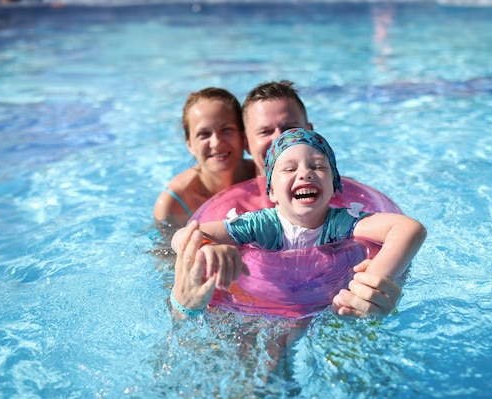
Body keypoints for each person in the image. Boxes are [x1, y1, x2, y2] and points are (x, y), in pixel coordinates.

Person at [169, 80, 421, 319]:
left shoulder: (345, 204)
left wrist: (377, 289)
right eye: (266, 131)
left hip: (331, 308)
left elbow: (403, 234)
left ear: (310, 132)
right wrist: (203, 251)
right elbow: (181, 250)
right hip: (253, 314)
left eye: (291, 129)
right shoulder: (239, 214)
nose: (280, 139)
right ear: (246, 141)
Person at [153, 87, 255, 227]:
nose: (216, 142)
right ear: (189, 144)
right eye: (204, 134)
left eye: (226, 130)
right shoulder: (174, 205)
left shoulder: (264, 178)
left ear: (243, 135)